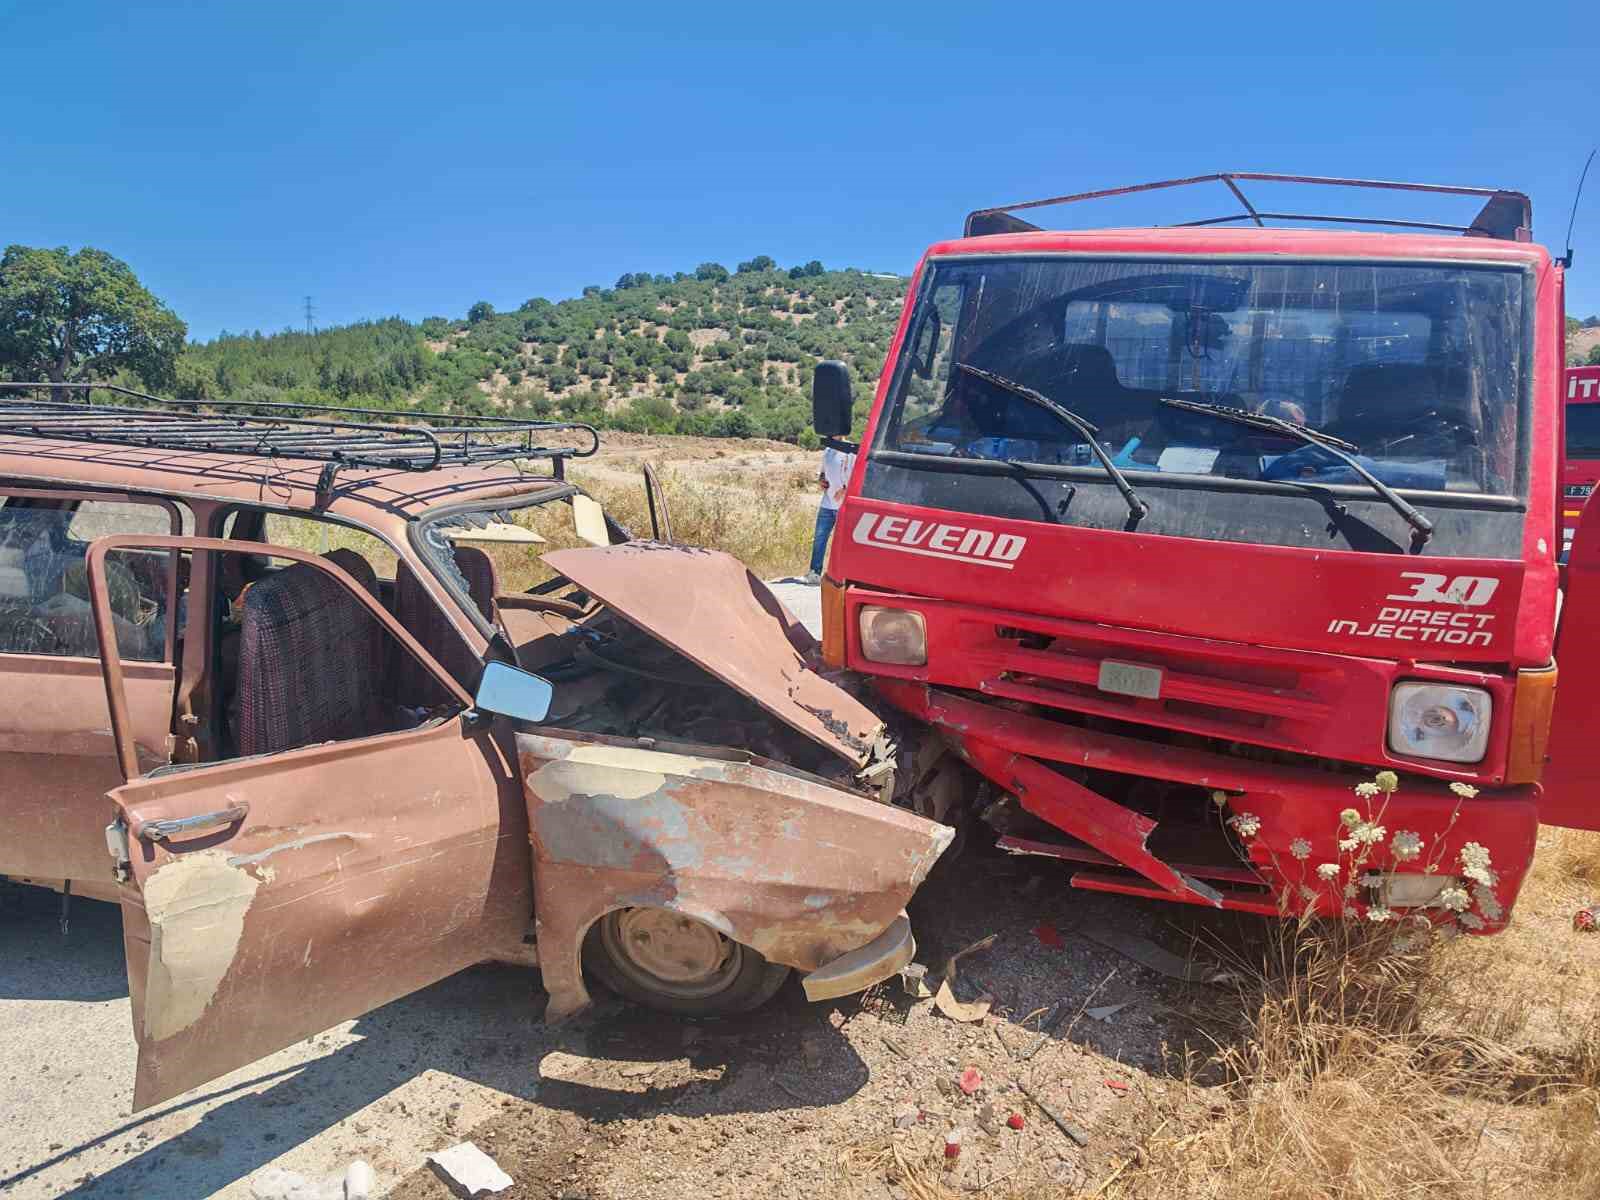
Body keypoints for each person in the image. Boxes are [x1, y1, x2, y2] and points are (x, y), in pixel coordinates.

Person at [807, 443, 855, 583]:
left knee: (842, 543)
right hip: (827, 503)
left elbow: (855, 475)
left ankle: (841, 577)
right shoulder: (828, 450)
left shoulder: (849, 451)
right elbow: (823, 472)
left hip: (843, 505)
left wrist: (844, 490)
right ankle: (815, 573)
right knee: (819, 538)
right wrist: (821, 481)